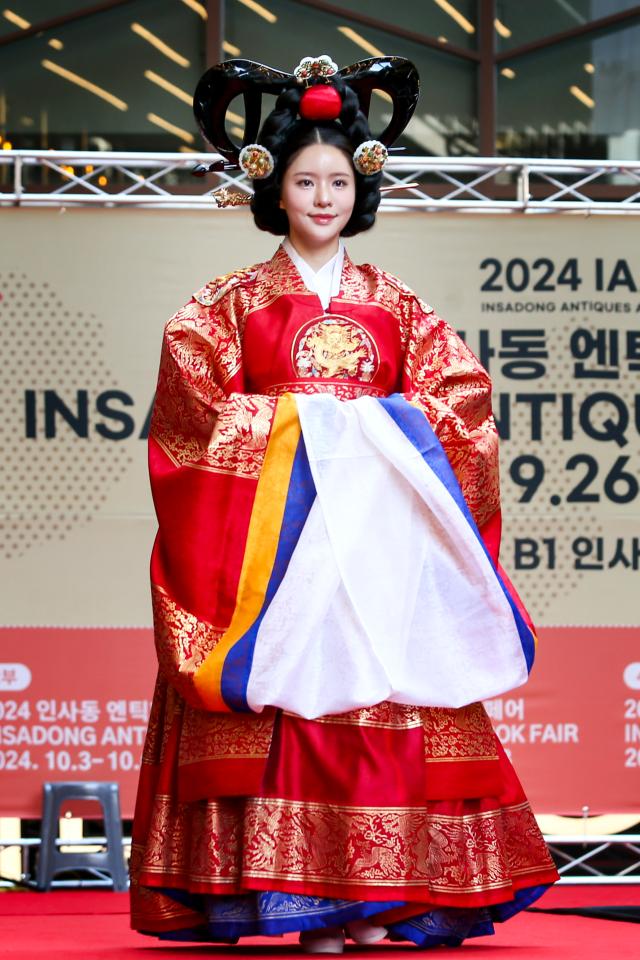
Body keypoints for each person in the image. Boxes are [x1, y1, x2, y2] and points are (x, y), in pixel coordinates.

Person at [130, 54, 558, 951]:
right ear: (274, 189)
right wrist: (304, 428)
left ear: (357, 187)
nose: (321, 197)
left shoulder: (399, 308)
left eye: (335, 180)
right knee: (299, 720)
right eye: (303, 180)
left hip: (375, 547)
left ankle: (384, 899)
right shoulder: (225, 306)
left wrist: (382, 432)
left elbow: (464, 408)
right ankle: (302, 905)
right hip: (277, 555)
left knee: (384, 719)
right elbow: (188, 425)